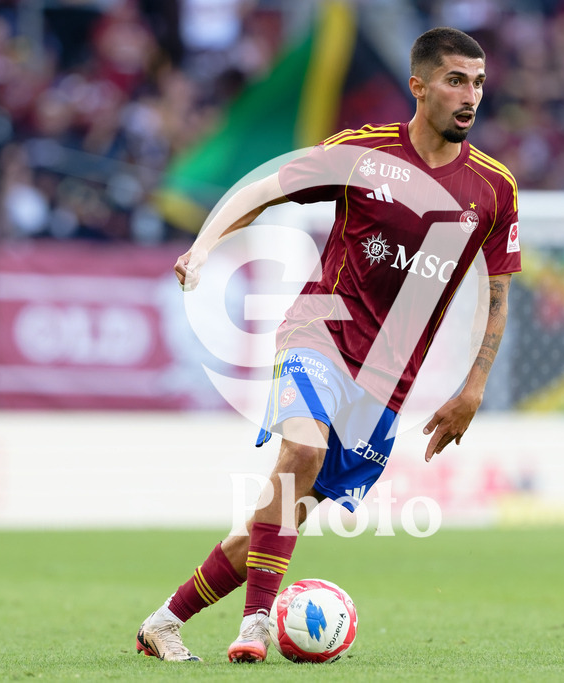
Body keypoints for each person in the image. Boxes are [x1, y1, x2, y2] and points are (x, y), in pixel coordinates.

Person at [136, 26, 521, 664]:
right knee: (303, 451)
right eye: (456, 80)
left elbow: (498, 293)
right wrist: (205, 246)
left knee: (279, 513)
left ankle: (165, 621)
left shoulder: (493, 188)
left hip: (387, 379)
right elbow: (266, 188)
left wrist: (473, 386)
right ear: (419, 86)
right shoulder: (362, 153)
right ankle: (257, 623)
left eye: (478, 82)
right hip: (320, 331)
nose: (470, 95)